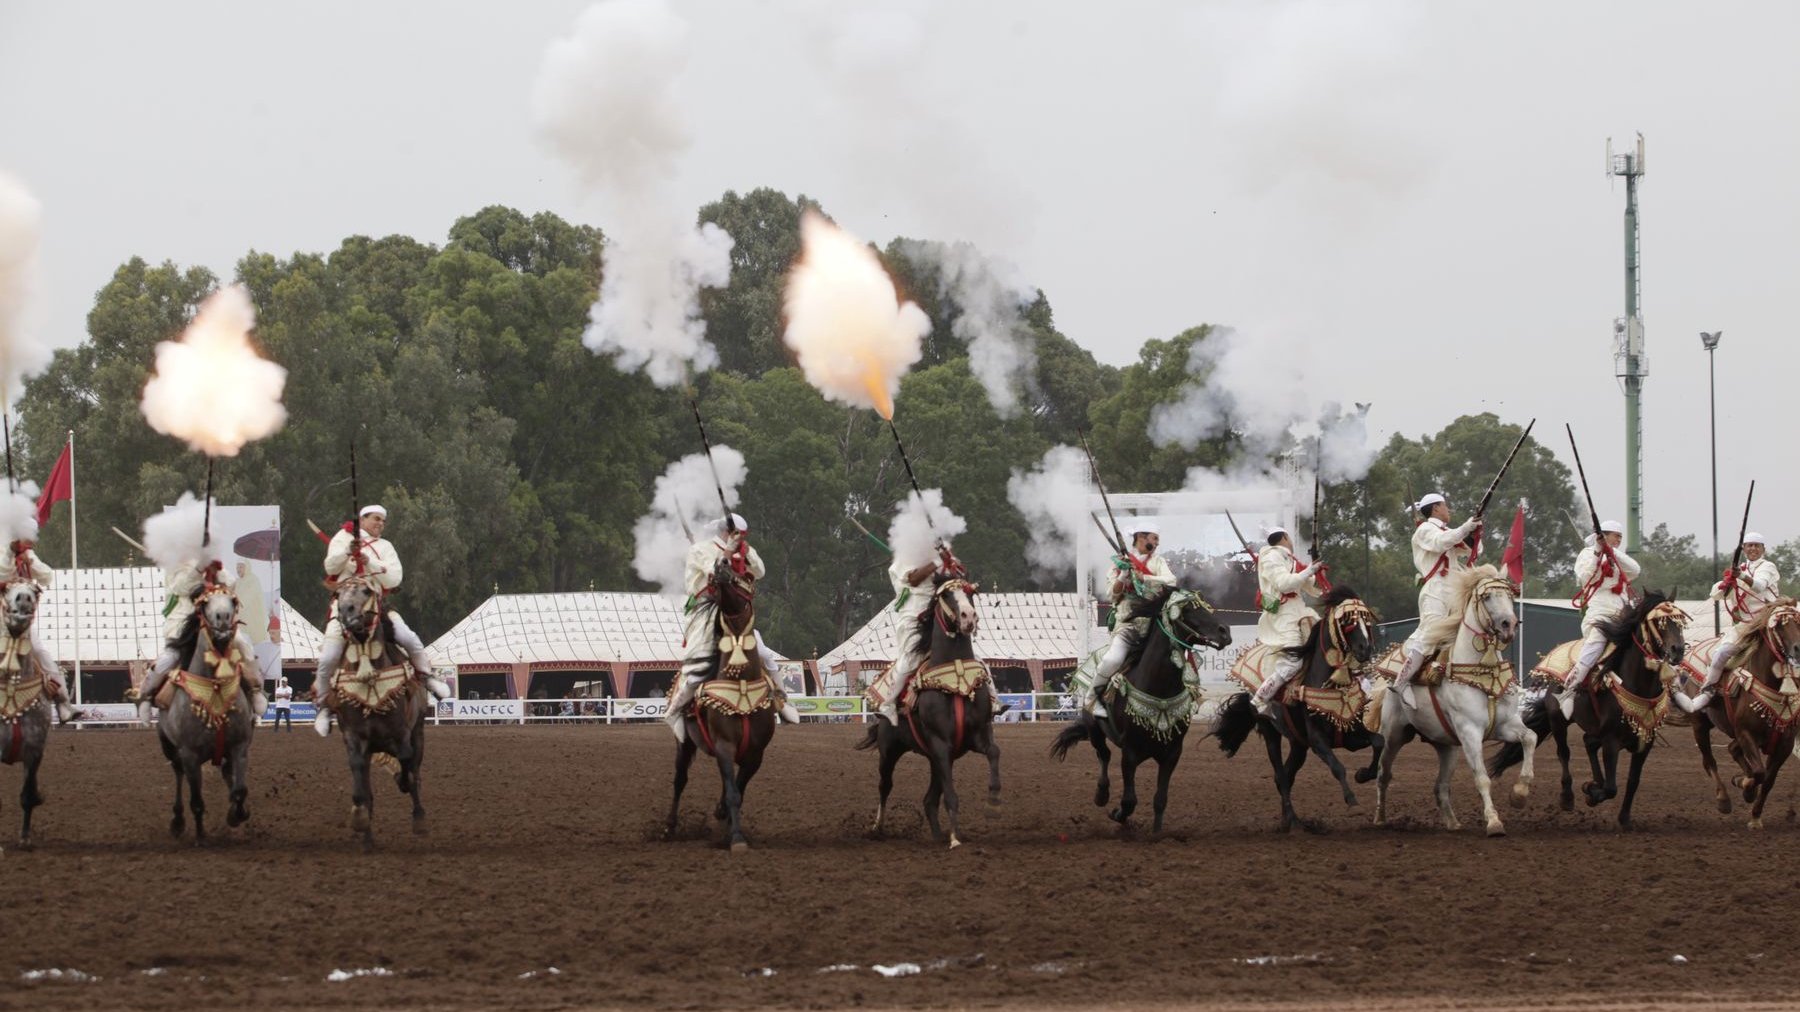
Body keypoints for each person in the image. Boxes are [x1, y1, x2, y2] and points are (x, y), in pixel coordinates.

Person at [314, 504, 452, 736]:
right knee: (328, 657)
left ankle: (426, 676)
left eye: (383, 521)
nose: (380, 524)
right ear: (363, 519)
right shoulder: (343, 537)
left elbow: (394, 578)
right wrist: (348, 550)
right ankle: (323, 706)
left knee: (409, 638)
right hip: (345, 608)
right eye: (376, 519)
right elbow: (330, 566)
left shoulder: (385, 546)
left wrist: (369, 561)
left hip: (376, 607)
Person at [665, 514, 800, 741]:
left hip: (737, 613)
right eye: (737, 535)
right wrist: (727, 552)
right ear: (726, 533)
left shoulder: (745, 549)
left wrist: (745, 553)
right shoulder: (700, 549)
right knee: (699, 666)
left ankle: (781, 700)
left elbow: (760, 571)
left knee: (765, 655)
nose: (740, 539)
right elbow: (718, 574)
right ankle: (674, 711)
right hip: (705, 612)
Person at [1391, 494, 1482, 706]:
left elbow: (1476, 550)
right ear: (1435, 508)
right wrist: (1466, 527)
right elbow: (1441, 543)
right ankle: (1401, 681)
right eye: (1445, 506)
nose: (1448, 509)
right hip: (1435, 589)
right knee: (1430, 634)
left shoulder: (1447, 532)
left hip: (1453, 590)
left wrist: (1475, 532)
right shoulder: (1424, 530)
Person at [1084, 519, 1178, 719]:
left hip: (1156, 624)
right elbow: (1112, 595)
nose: (1158, 543)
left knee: (1178, 656)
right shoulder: (1119, 564)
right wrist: (1123, 575)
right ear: (1141, 538)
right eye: (1154, 538)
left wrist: (1145, 578)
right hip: (1128, 625)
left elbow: (1171, 581)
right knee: (1113, 659)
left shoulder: (1158, 562)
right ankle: (1091, 698)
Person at [1678, 532, 1782, 713]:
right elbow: (1715, 594)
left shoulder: (1768, 567)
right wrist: (1727, 582)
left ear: (1763, 549)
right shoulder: (1740, 569)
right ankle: (1708, 690)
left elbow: (1758, 585)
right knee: (1720, 654)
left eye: (1757, 545)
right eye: (1749, 545)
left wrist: (1740, 576)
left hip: (1769, 624)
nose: (1753, 549)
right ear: (1744, 549)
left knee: (1792, 651)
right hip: (1745, 627)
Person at [1554, 521, 1640, 717]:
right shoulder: (1586, 554)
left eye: (1620, 536)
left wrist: (1610, 550)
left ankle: (1672, 689)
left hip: (1624, 613)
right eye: (1615, 535)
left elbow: (1635, 570)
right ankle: (1569, 691)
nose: (1619, 539)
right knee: (1595, 643)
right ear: (1604, 535)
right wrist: (1597, 551)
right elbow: (1588, 576)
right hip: (1600, 611)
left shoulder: (1617, 556)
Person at [874, 539, 964, 725]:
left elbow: (959, 576)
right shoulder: (902, 561)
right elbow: (914, 579)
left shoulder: (934, 560)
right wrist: (937, 562)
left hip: (937, 616)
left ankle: (992, 699)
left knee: (965, 652)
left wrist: (951, 559)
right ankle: (887, 704)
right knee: (910, 659)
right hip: (912, 616)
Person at [1249, 528, 1328, 715]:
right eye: (1290, 537)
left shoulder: (1290, 559)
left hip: (1300, 610)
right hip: (1284, 614)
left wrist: (1314, 568)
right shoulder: (1270, 557)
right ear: (1284, 537)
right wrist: (1310, 569)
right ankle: (1260, 699)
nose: (1291, 540)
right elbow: (1285, 584)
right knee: (1292, 664)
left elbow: (1311, 586)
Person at [8, 539, 75, 722]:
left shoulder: (26, 555)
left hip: (20, 624)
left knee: (41, 652)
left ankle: (63, 703)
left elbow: (46, 576)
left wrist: (30, 560)